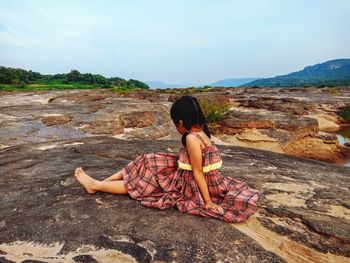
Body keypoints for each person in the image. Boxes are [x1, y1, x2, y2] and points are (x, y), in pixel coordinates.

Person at [74, 95, 258, 222]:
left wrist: (208, 202)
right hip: (189, 172)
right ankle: (106, 181)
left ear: (180, 122)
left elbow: (198, 172)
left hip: (191, 182)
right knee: (147, 159)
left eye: (175, 124)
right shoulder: (202, 131)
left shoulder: (192, 138)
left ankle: (96, 185)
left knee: (147, 183)